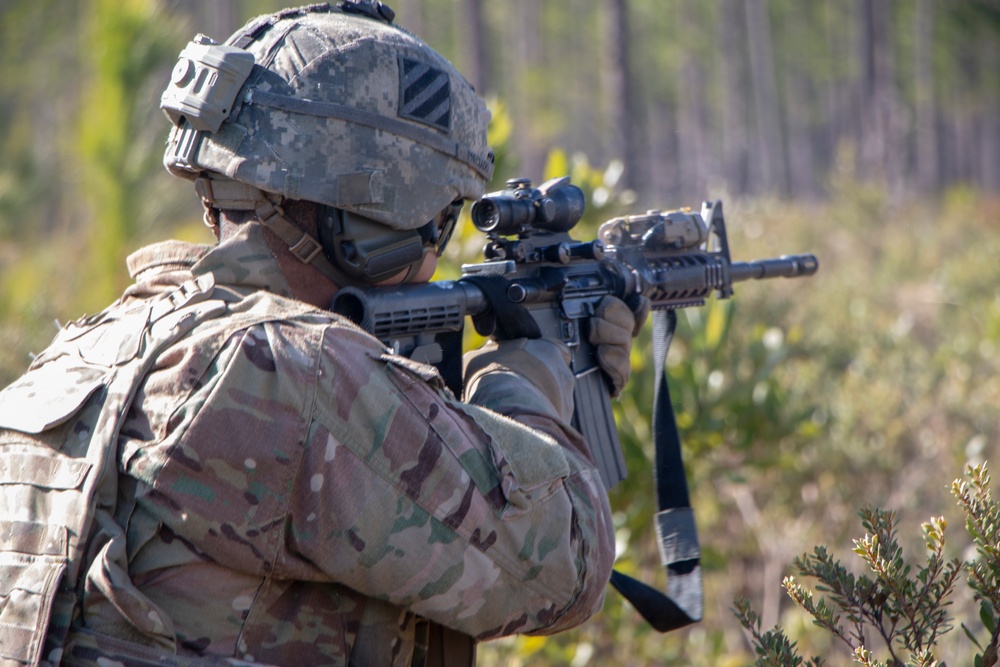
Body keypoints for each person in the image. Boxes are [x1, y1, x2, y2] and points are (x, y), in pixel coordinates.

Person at [0, 2, 645, 665]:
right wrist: (527, 382)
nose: (436, 252)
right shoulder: (293, 372)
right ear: (378, 222)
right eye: (440, 219)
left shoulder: (75, 356)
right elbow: (564, 558)